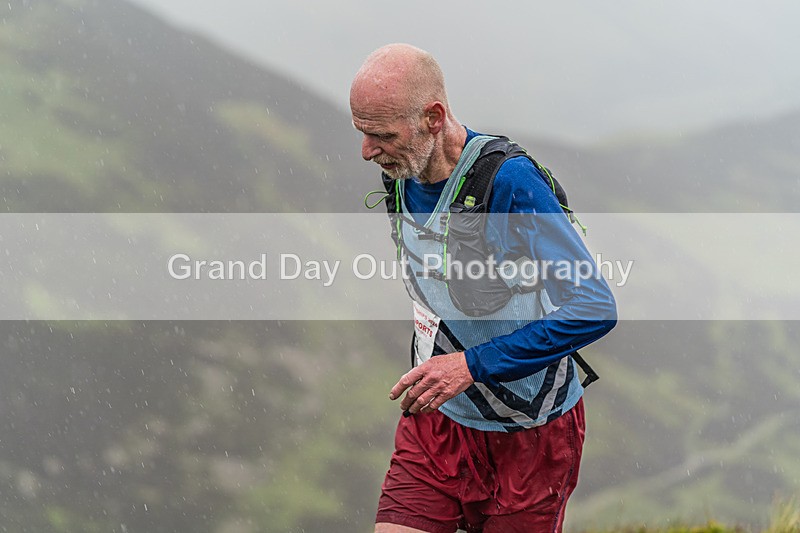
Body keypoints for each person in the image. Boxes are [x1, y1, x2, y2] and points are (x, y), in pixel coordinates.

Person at [350, 43, 617, 533]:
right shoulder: (401, 173)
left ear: (433, 118)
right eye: (362, 133)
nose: (367, 151)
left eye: (382, 135)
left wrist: (472, 365)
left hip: (531, 434)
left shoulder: (509, 182)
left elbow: (593, 307)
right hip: (437, 419)